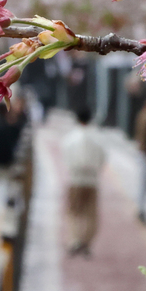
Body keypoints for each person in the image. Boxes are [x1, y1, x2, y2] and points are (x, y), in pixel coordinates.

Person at [62, 107, 107, 256]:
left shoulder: (70, 137)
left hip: (75, 179)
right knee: (90, 213)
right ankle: (87, 241)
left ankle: (75, 240)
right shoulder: (97, 137)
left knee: (74, 211)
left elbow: (65, 157)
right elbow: (103, 158)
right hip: (92, 180)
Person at [0, 98, 27, 207]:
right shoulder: (3, 126)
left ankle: (9, 203)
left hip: (3, 161)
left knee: (3, 184)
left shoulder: (3, 124)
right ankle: (7, 203)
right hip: (2, 161)